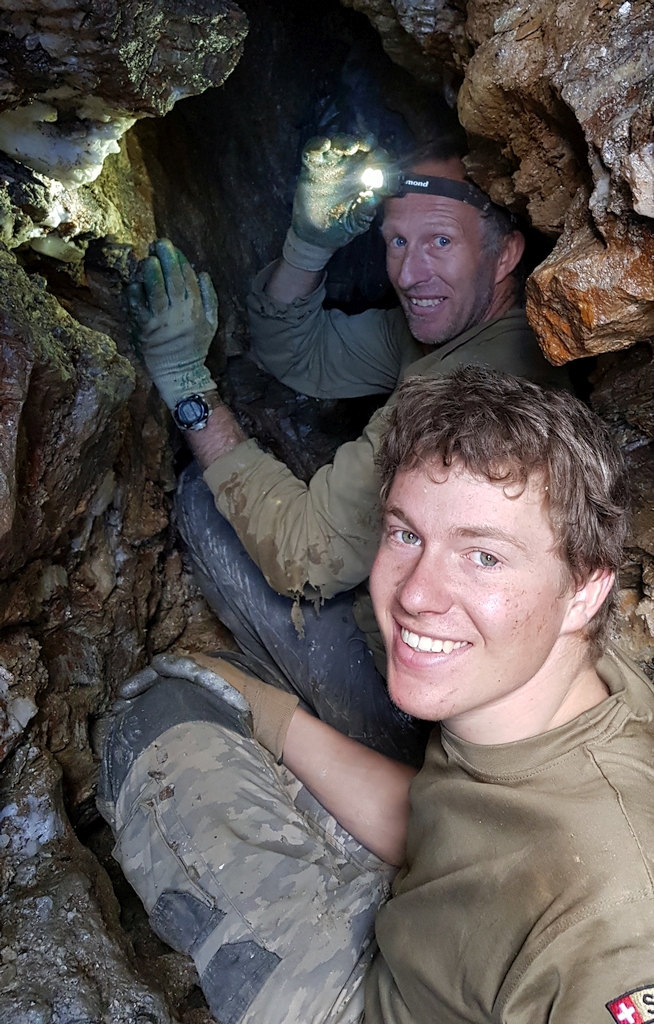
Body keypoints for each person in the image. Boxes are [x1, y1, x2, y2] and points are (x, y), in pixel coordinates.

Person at [99, 367, 654, 1024]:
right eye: (406, 534)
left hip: (365, 1004)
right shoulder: (567, 680)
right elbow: (450, 824)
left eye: (484, 557)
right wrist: (271, 714)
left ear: (586, 591)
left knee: (151, 726)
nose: (416, 593)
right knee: (210, 693)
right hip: (425, 939)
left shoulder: (612, 924)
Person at [128, 135, 569, 766]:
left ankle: (323, 740)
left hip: (428, 717)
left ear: (506, 254)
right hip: (460, 655)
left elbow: (303, 556)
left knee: (203, 497)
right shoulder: (470, 325)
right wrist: (306, 247)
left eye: (441, 242)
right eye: (397, 241)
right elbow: (297, 353)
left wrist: (185, 383)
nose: (409, 274)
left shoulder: (470, 392)